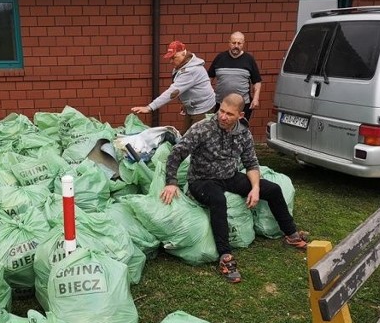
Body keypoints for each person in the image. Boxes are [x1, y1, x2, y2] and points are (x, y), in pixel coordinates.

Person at [160, 93, 308, 283]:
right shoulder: (202, 128)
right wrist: (171, 182)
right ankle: (225, 256)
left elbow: (251, 163)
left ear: (240, 115)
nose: (223, 116)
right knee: (218, 200)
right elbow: (176, 154)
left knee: (273, 189)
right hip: (202, 180)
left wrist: (255, 188)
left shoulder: (243, 132)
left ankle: (291, 234)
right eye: (221, 111)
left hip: (230, 176)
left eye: (229, 114)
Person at [132, 40, 215, 132]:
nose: (171, 61)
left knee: (194, 139)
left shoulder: (191, 71)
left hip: (203, 109)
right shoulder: (182, 66)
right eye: (170, 58)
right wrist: (186, 102)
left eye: (174, 57)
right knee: (186, 136)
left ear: (184, 53)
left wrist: (150, 107)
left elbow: (173, 92)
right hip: (193, 107)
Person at [208, 31, 262, 124]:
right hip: (220, 104)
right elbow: (208, 78)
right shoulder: (220, 58)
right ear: (229, 42)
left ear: (243, 44)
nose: (236, 46)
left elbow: (257, 81)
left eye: (239, 43)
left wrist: (256, 98)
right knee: (220, 129)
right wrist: (208, 94)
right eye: (233, 43)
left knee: (239, 130)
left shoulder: (249, 59)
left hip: (242, 105)